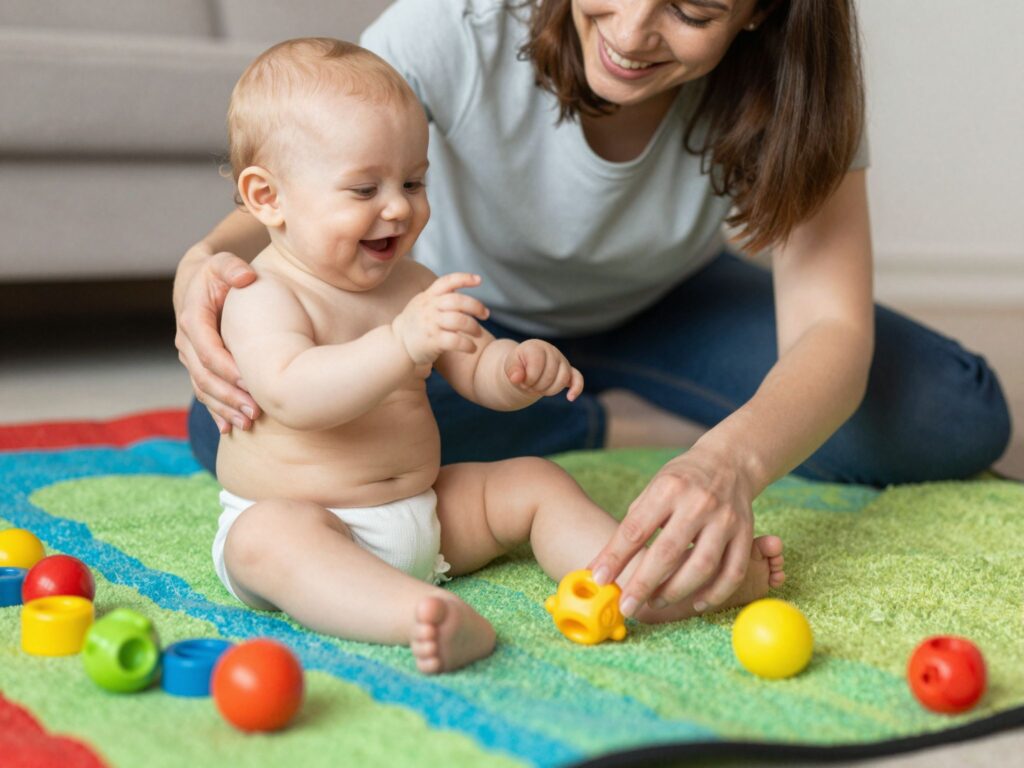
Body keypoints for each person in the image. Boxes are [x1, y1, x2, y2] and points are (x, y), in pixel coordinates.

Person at [174, 1, 1010, 624]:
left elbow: (831, 328)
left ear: (759, 14)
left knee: (952, 414)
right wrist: (203, 262)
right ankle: (603, 422)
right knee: (238, 427)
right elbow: (307, 163)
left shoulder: (796, 91)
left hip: (665, 303)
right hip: (461, 311)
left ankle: (601, 430)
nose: (634, 31)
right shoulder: (460, 25)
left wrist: (731, 465)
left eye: (691, 9)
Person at [209, 37, 785, 673]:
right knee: (266, 541)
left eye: (413, 181)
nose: (398, 207)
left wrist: (515, 369)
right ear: (267, 198)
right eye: (364, 189)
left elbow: (474, 367)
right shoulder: (262, 293)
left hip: (428, 515)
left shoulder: (414, 284)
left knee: (535, 482)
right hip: (314, 522)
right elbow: (295, 394)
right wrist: (401, 343)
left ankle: (651, 584)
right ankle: (414, 616)